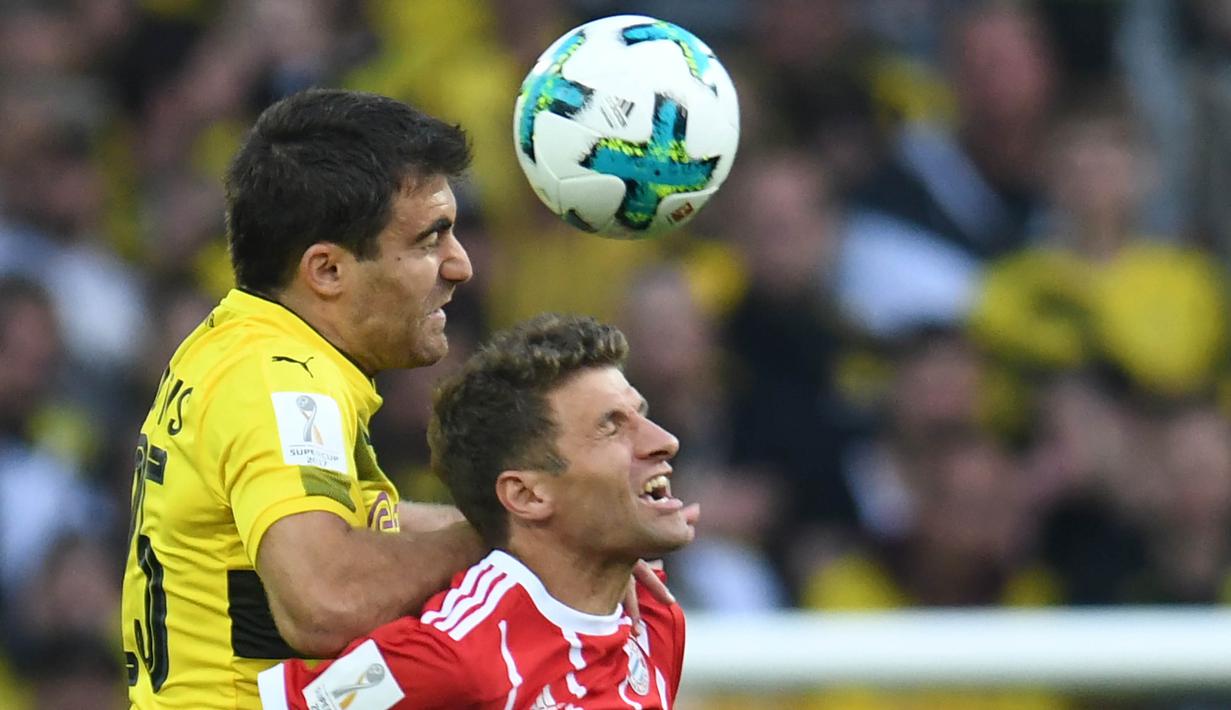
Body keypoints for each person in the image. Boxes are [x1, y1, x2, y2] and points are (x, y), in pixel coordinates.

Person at [120, 88, 486, 708]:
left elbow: (357, 526)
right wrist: (493, 539)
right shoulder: (282, 380)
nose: (461, 266)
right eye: (431, 239)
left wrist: (538, 531)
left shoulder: (241, 343)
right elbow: (326, 599)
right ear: (328, 270)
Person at [258, 313, 699, 709]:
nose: (663, 440)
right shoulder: (458, 652)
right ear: (527, 496)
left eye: (641, 415)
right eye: (611, 427)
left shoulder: (654, 618)